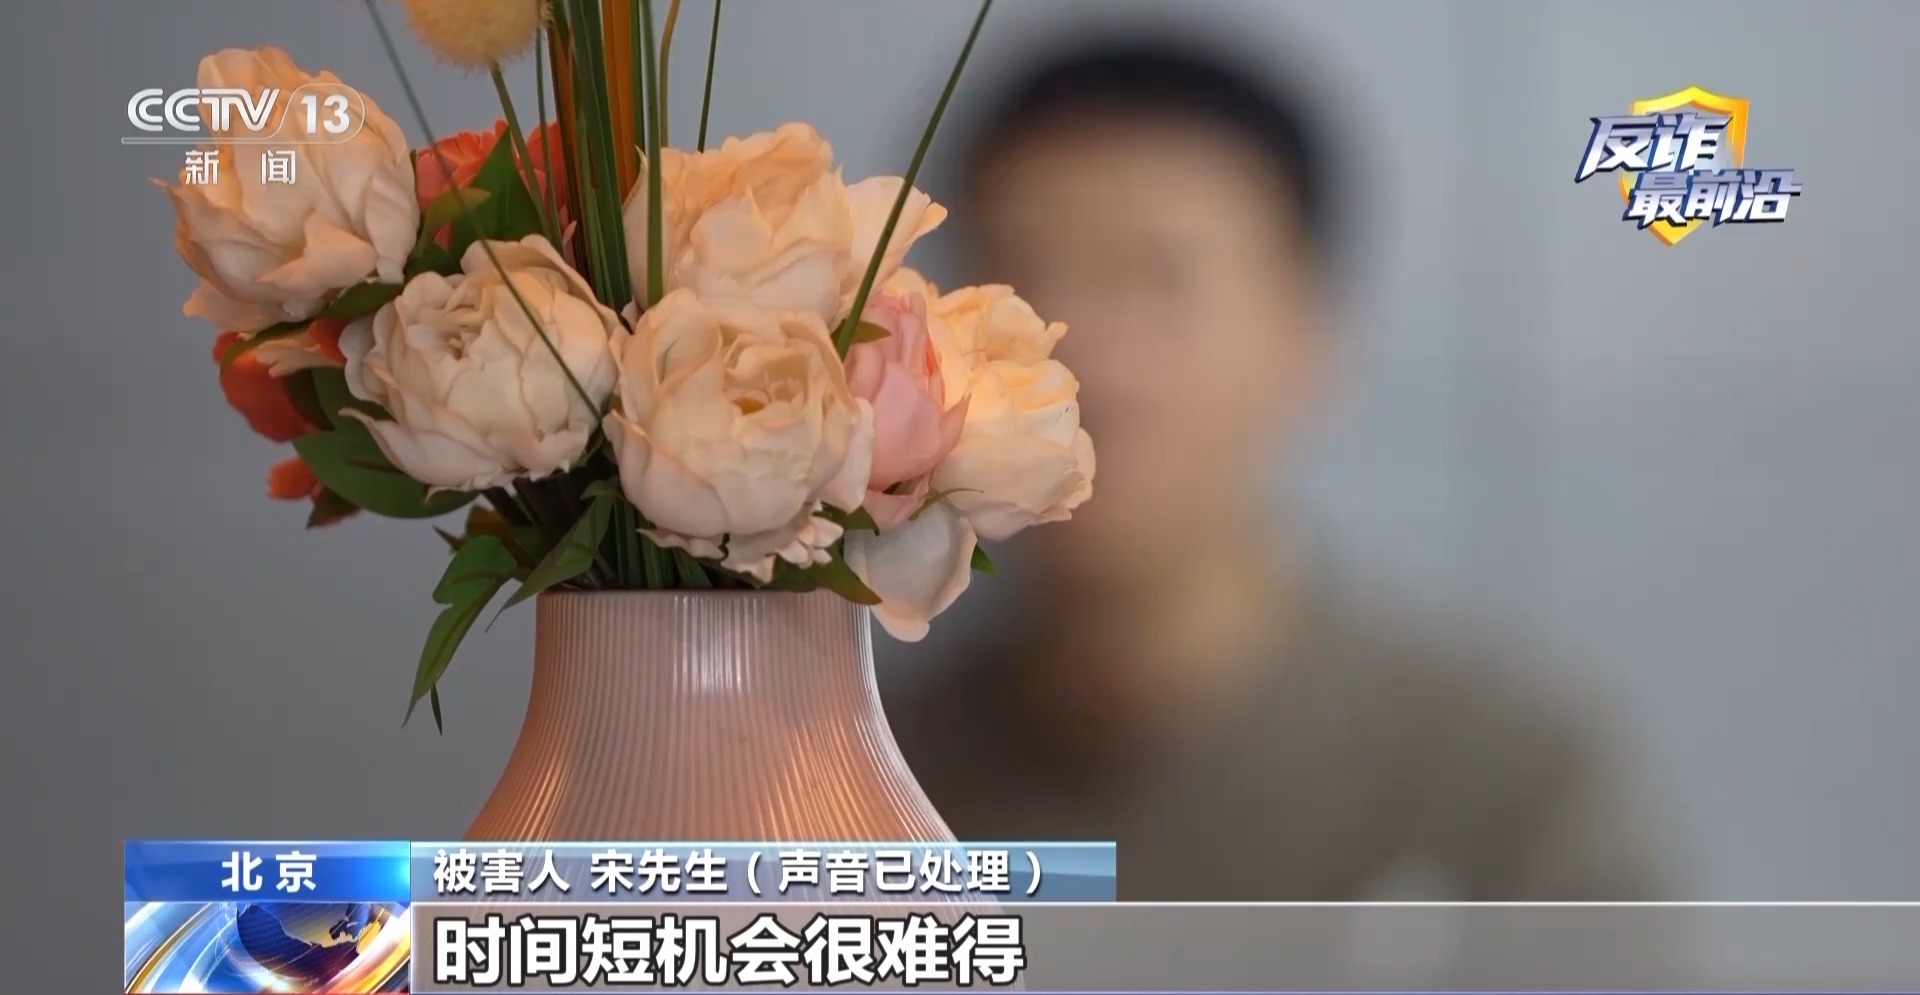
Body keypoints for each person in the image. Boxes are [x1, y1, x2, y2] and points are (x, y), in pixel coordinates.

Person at [876, 37, 1669, 903]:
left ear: (1310, 334)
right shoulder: (856, 786)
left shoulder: (1505, 787)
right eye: (1020, 285)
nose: (1084, 360)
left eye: (1158, 280)